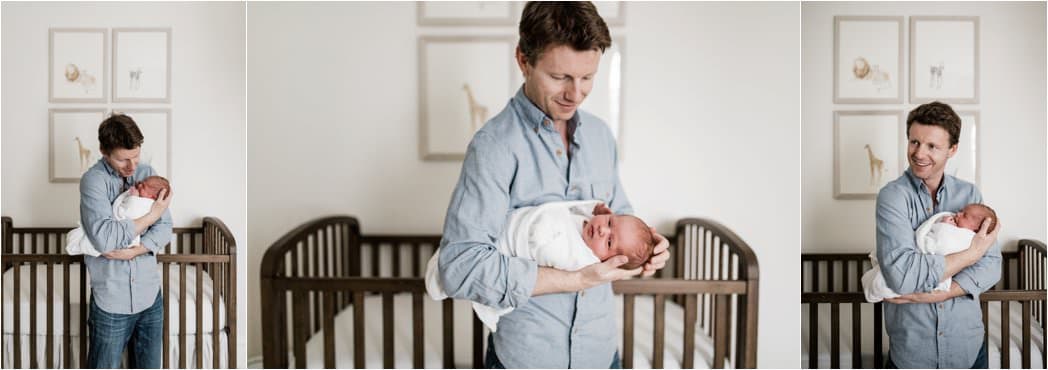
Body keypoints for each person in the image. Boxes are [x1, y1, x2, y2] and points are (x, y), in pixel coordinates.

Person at [436, 2, 669, 368]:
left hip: (601, 355)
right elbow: (460, 267)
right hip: (526, 359)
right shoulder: (494, 146)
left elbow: (621, 218)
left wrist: (648, 251)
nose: (575, 94)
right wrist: (573, 279)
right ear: (523, 61)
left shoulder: (599, 136)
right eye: (560, 77)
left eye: (587, 77)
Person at [875, 102, 1001, 369]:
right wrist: (970, 255)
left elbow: (991, 265)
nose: (919, 153)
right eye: (914, 142)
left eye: (932, 146)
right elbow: (902, 275)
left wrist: (940, 293)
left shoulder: (970, 196)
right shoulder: (893, 197)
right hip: (913, 353)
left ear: (952, 150)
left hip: (968, 348)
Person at [426, 200, 656, 332]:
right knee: (465, 251)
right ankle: (451, 261)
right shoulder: (589, 222)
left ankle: (442, 275)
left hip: (515, 243)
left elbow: (546, 248)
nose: (602, 229)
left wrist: (647, 260)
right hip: (506, 225)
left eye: (608, 241)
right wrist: (594, 209)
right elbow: (579, 208)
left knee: (459, 267)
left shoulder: (582, 259)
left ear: (607, 261)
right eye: (609, 222)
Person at [80, 113, 173, 369]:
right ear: (104, 151)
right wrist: (152, 215)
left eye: (136, 156)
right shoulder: (93, 182)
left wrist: (135, 250)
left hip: (149, 296)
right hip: (112, 299)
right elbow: (105, 239)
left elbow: (165, 229)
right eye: (123, 159)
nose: (132, 167)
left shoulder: (148, 174)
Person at [863, 203, 998, 303]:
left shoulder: (967, 236)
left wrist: (948, 292)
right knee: (889, 275)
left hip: (961, 328)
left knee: (882, 282)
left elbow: (941, 244)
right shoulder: (897, 197)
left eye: (964, 215)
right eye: (961, 211)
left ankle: (877, 286)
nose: (958, 214)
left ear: (977, 229)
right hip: (909, 331)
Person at [67, 176, 172, 257]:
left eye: (143, 186)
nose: (139, 185)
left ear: (153, 197)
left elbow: (130, 212)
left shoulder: (148, 203)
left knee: (87, 241)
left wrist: (133, 197)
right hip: (110, 239)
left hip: (126, 237)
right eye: (141, 183)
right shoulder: (98, 178)